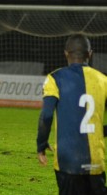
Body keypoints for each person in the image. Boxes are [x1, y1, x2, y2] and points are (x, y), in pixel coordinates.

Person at [36, 34, 107, 195]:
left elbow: (46, 115)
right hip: (96, 161)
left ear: (66, 54)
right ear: (90, 54)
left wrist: (41, 145)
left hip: (67, 162)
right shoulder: (103, 80)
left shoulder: (55, 78)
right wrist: (98, 131)